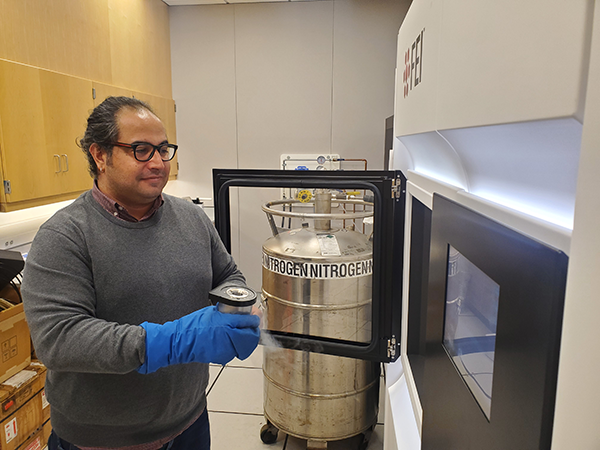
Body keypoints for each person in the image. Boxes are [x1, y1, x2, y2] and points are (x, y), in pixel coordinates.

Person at [21, 96, 261, 450]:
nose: (158, 163)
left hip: (189, 421)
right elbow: (59, 340)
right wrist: (167, 342)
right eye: (141, 149)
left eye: (163, 149)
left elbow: (227, 274)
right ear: (99, 155)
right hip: (102, 439)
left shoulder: (192, 219)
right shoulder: (65, 235)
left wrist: (237, 308)